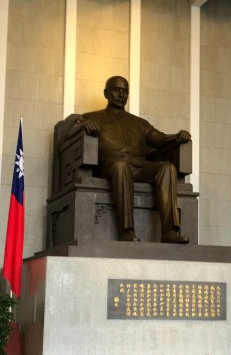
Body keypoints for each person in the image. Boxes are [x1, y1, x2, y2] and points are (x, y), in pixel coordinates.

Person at [77, 76, 190, 243]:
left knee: (167, 168)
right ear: (106, 93)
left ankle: (169, 232)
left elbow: (159, 138)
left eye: (125, 91)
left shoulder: (139, 123)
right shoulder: (91, 117)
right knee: (121, 166)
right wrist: (83, 125)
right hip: (110, 166)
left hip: (139, 166)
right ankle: (127, 231)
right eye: (117, 90)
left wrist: (177, 137)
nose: (121, 95)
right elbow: (71, 131)